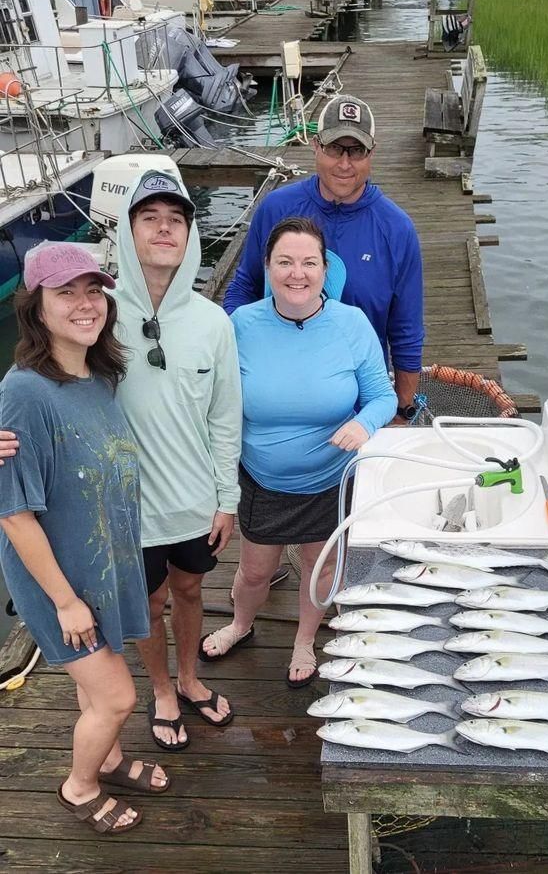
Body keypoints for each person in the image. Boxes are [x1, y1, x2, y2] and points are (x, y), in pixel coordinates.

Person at [0, 171, 243, 751]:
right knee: (147, 602)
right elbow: (39, 384)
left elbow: (225, 418)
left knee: (189, 593)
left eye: (176, 220)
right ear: (127, 232)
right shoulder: (98, 311)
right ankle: (160, 689)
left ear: (191, 236)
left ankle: (188, 678)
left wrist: (226, 498)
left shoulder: (215, 323)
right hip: (124, 513)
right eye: (148, 218)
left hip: (195, 501)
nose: (164, 229)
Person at [0, 243, 167, 835]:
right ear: (35, 308)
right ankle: (80, 786)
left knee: (96, 687)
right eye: (65, 292)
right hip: (59, 584)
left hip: (99, 570)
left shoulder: (98, 376)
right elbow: (14, 513)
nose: (84, 303)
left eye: (93, 290)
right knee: (118, 697)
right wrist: (66, 602)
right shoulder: (23, 393)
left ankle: (112, 757)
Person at [199, 217, 397, 686]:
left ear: (325, 269)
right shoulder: (241, 324)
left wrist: (363, 423)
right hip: (262, 481)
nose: (297, 273)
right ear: (267, 267)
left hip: (331, 480)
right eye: (284, 262)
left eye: (309, 262)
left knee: (320, 565)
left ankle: (305, 639)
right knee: (253, 572)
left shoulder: (352, 324)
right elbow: (210, 397)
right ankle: (240, 625)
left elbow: (382, 396)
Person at [222, 94, 425, 424]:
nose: (344, 164)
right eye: (335, 149)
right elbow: (245, 286)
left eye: (356, 151)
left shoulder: (397, 230)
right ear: (316, 146)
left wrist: (401, 410)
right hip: (273, 396)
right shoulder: (275, 208)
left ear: (371, 153)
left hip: (358, 409)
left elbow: (407, 330)